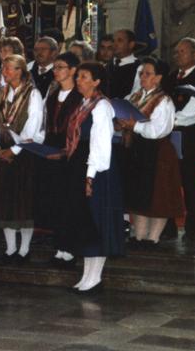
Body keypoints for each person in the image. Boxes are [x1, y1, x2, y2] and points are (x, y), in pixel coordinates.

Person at [60, 62, 124, 293]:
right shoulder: (83, 104)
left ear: (96, 81)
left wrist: (90, 176)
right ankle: (86, 276)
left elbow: (101, 145)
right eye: (78, 76)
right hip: (80, 164)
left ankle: (95, 277)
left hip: (97, 169)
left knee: (96, 221)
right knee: (85, 221)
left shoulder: (102, 106)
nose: (78, 80)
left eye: (84, 77)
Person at [116, 57, 184, 247]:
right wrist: (120, 122)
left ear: (158, 78)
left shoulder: (164, 100)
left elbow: (157, 130)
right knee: (137, 193)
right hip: (136, 149)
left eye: (147, 73)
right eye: (141, 73)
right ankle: (138, 236)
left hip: (156, 150)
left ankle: (152, 238)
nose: (143, 77)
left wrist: (134, 125)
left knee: (157, 197)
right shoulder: (136, 96)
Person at [0, 54, 43, 264]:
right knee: (5, 200)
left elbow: (33, 125)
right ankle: (10, 249)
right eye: (4, 68)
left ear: (20, 71)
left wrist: (15, 150)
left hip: (23, 152)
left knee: (22, 202)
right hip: (2, 150)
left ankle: (24, 249)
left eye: (10, 68)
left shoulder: (32, 93)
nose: (5, 72)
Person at [164, 37, 195, 242]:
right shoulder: (171, 76)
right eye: (176, 51)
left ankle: (194, 228)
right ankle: (168, 226)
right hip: (169, 133)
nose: (177, 55)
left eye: (182, 51)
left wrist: (172, 120)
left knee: (191, 181)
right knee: (168, 180)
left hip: (189, 135)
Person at [36, 52, 83, 268]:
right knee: (56, 202)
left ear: (73, 70)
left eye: (61, 67)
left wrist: (65, 152)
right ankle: (60, 248)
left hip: (71, 156)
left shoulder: (79, 97)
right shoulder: (53, 95)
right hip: (52, 153)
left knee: (70, 203)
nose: (56, 71)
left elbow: (80, 131)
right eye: (54, 67)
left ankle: (71, 249)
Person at [102, 29, 141, 99]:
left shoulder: (139, 68)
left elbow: (136, 95)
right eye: (113, 41)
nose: (115, 44)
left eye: (120, 41)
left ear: (131, 44)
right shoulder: (105, 66)